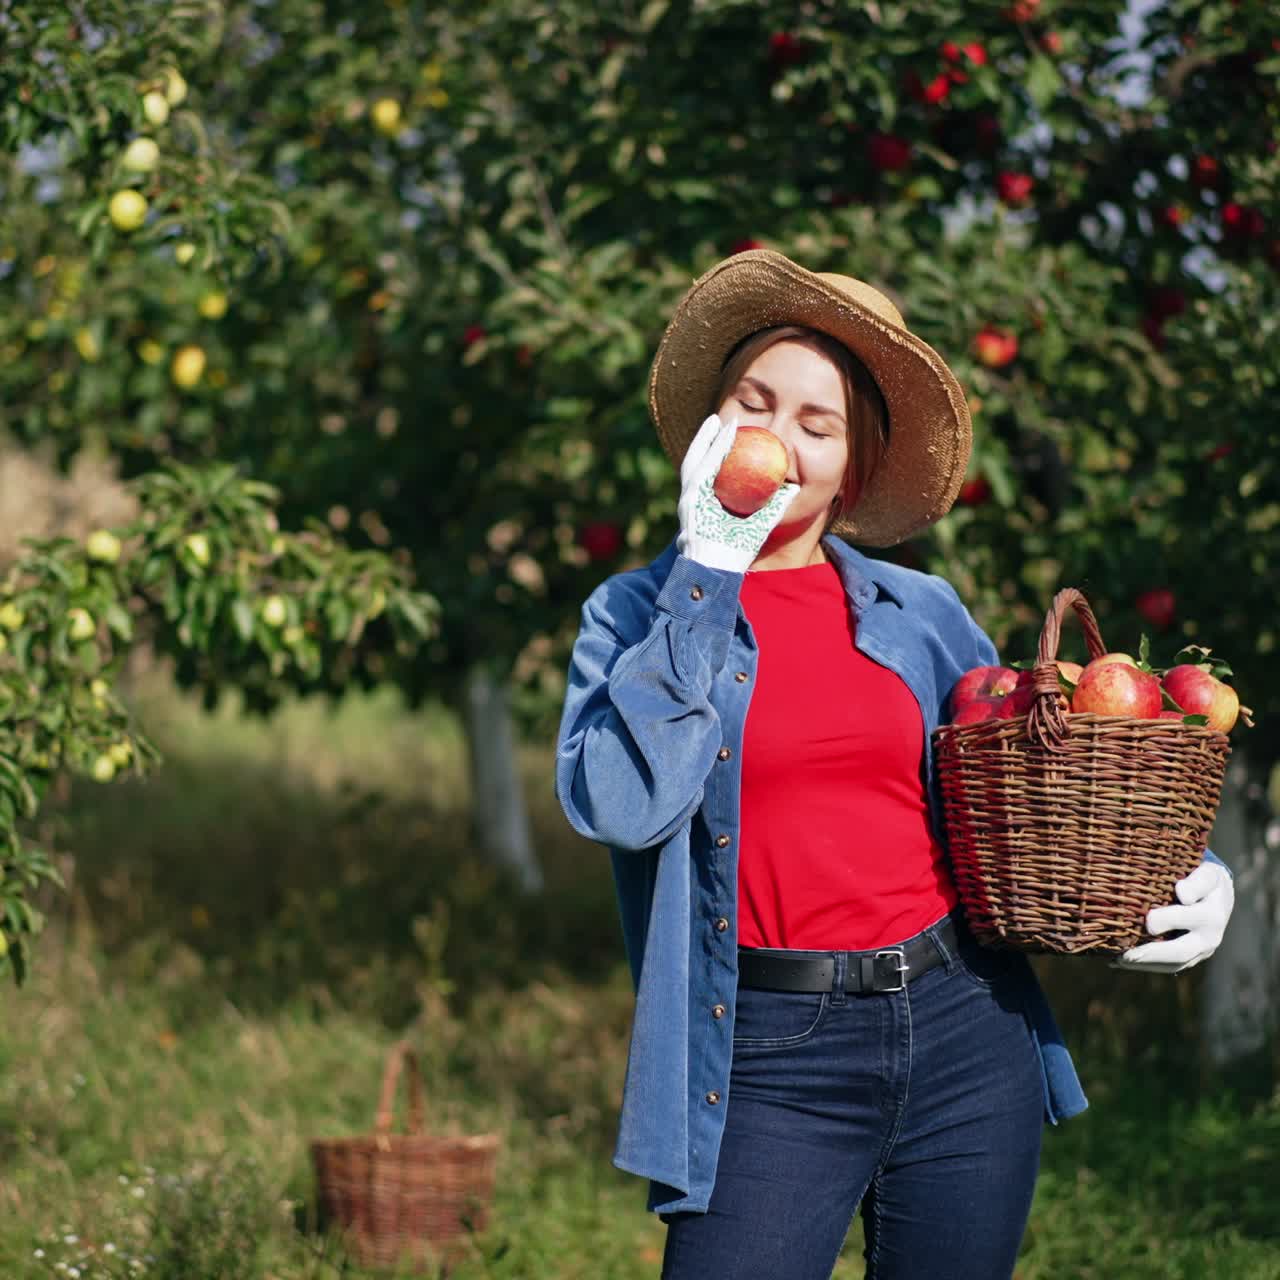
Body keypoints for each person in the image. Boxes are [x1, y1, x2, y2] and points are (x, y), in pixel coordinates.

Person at [554, 249, 1235, 1279]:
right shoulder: (632, 614)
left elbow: (1033, 795)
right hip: (768, 1052)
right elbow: (619, 804)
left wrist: (1176, 877)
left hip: (965, 1025)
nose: (774, 440)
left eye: (814, 425)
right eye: (752, 402)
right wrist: (706, 570)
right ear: (707, 428)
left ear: (851, 471)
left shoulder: (919, 614)